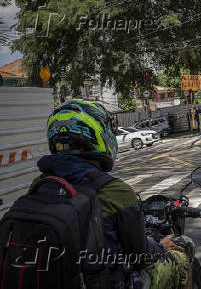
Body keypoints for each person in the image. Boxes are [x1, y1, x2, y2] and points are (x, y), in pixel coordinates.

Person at [36, 99, 190, 288]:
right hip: (111, 283)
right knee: (181, 257)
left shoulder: (39, 186)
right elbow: (141, 257)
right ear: (97, 135)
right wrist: (161, 247)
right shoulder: (115, 191)